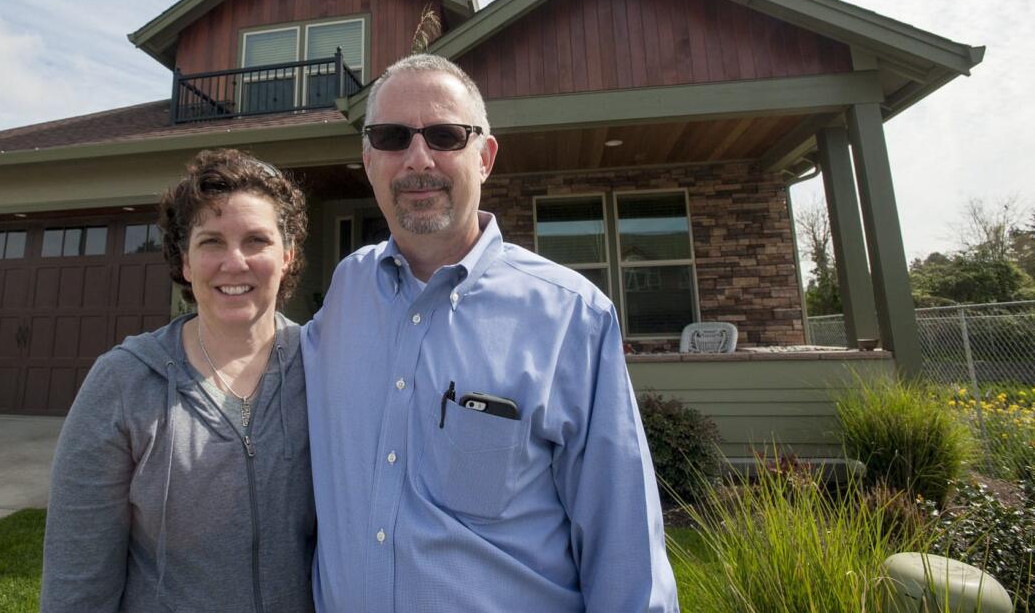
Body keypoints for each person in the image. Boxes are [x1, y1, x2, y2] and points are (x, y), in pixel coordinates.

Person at [304, 54, 679, 612]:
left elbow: (624, 553)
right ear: (367, 159)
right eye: (390, 137)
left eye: (445, 136)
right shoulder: (346, 292)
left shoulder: (571, 317)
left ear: (486, 157)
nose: (417, 159)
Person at [41, 148, 315, 613]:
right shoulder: (124, 382)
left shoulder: (326, 368)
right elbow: (78, 578)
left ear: (286, 256)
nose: (235, 262)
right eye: (211, 242)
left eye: (256, 240)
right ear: (185, 262)